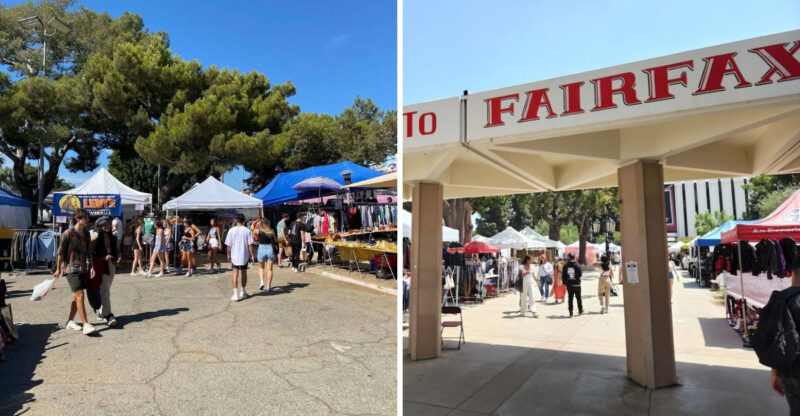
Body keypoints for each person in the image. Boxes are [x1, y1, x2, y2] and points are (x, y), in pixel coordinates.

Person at [53, 210, 97, 335]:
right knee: (80, 294)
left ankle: (70, 321)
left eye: (88, 217)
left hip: (83, 268)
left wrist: (92, 267)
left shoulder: (87, 234)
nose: (88, 220)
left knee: (75, 297)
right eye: (86, 217)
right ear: (78, 218)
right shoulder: (67, 233)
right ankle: (86, 324)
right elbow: (60, 252)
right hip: (70, 268)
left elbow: (89, 253)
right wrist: (57, 268)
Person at [91, 217, 121, 326]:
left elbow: (117, 251)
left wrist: (119, 258)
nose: (106, 226)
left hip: (111, 265)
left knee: (106, 290)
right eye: (104, 224)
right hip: (100, 265)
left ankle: (100, 311)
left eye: (107, 224)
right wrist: (104, 257)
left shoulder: (113, 237)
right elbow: (91, 253)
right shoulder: (95, 236)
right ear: (99, 226)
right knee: (105, 291)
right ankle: (109, 315)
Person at [225, 214, 255, 301]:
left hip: (234, 255)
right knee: (244, 273)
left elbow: (228, 245)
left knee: (235, 274)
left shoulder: (231, 230)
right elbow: (250, 245)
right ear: (244, 220)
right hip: (244, 255)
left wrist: (228, 254)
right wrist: (252, 255)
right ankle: (243, 291)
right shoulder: (248, 231)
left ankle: (235, 294)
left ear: (236, 220)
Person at [255, 218, 277, 291]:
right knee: (270, 269)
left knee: (261, 268)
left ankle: (261, 282)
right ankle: (268, 286)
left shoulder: (258, 231)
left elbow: (255, 239)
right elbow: (276, 240)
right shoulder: (271, 231)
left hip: (261, 248)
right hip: (269, 248)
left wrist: (257, 226)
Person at [562, 253, 583, 317]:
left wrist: (565, 283)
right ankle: (580, 310)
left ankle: (571, 312)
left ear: (569, 258)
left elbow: (564, 275)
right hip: (576, 284)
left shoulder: (565, 265)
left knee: (570, 298)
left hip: (569, 284)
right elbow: (580, 274)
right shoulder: (577, 265)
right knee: (578, 298)